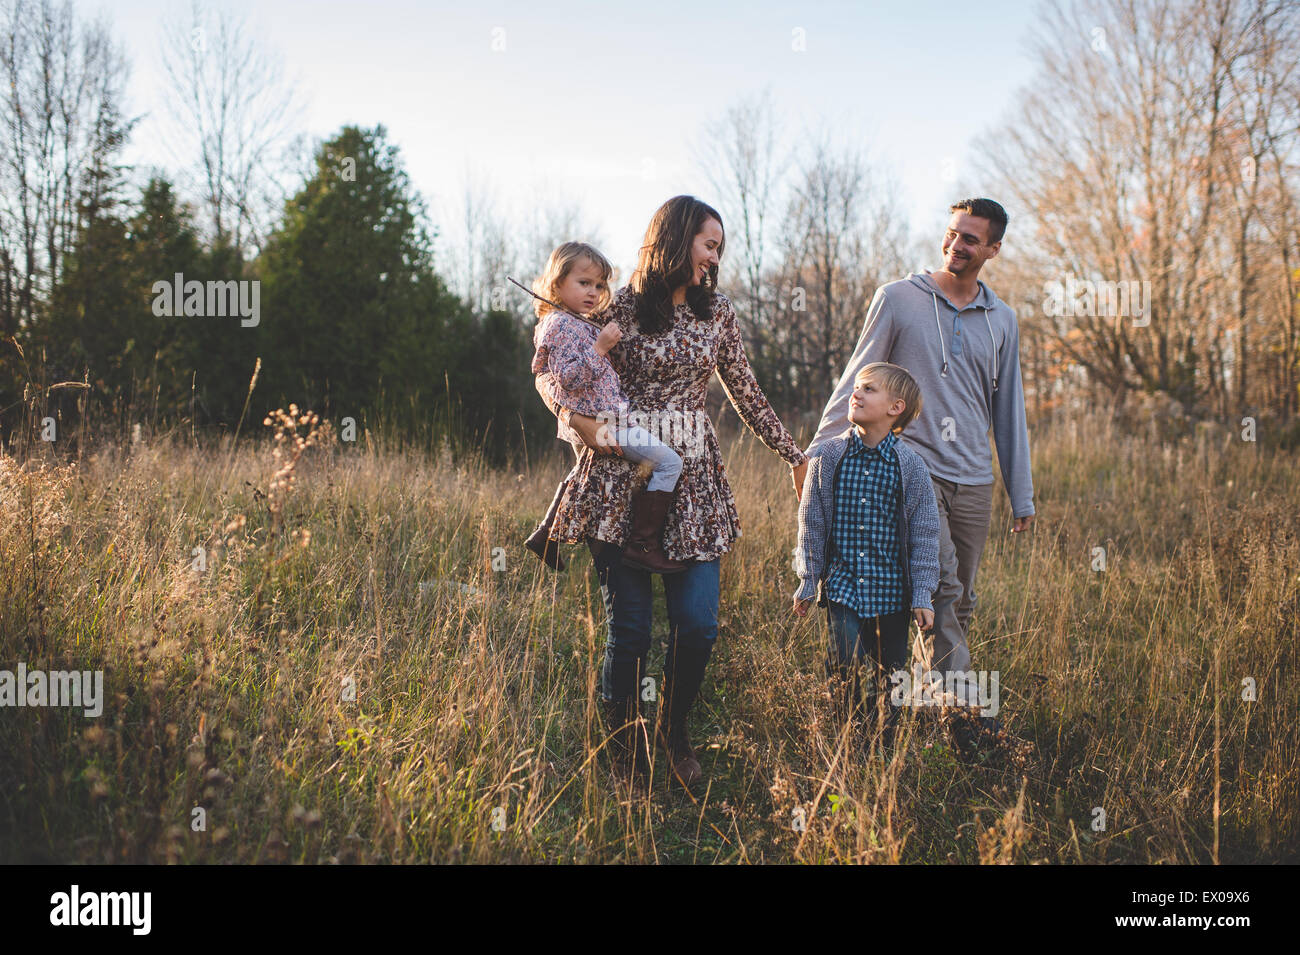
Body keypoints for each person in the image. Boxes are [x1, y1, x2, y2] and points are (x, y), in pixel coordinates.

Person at [536, 195, 808, 789]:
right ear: (676, 238)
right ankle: (624, 753)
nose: (714, 257)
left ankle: (674, 729)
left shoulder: (719, 313)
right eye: (708, 243)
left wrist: (795, 455)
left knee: (698, 624)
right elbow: (554, 369)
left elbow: (746, 390)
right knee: (629, 630)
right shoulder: (618, 305)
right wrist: (578, 424)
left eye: (720, 248)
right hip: (618, 474)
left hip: (694, 478)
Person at [803, 198, 1035, 745]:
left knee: (958, 601)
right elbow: (858, 378)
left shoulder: (1003, 321)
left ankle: (920, 704)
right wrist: (817, 453)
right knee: (946, 588)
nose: (957, 245)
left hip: (975, 480)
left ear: (993, 250)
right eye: (952, 234)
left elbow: (1010, 411)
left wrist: (1019, 494)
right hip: (914, 472)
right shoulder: (900, 300)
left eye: (971, 240)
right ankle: (974, 724)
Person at [793, 363, 940, 750]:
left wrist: (923, 594)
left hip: (892, 594)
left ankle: (883, 747)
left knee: (889, 676)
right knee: (842, 661)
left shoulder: (910, 467)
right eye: (856, 387)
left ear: (896, 407)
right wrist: (808, 580)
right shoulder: (828, 456)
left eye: (869, 389)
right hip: (843, 587)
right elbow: (812, 523)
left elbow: (925, 537)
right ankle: (843, 739)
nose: (855, 394)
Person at [524, 241, 685, 574]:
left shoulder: (575, 321)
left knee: (581, 476)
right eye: (584, 283)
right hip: (604, 424)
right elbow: (566, 378)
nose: (593, 292)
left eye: (599, 285)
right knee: (669, 462)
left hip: (605, 418)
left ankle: (545, 535)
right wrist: (599, 348)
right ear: (557, 283)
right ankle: (643, 544)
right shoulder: (561, 325)